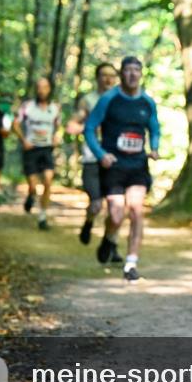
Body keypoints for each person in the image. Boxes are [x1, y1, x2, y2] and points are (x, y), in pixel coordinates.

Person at [84, 56, 161, 282]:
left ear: (141, 74)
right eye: (127, 70)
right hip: (114, 166)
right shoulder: (109, 99)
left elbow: (155, 128)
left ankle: (131, 264)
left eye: (136, 70)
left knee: (136, 209)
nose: (132, 74)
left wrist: (154, 147)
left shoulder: (147, 102)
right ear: (121, 74)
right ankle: (109, 238)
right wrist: (101, 155)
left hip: (137, 165)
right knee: (116, 215)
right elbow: (89, 129)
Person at [66, 63, 120, 250]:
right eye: (104, 75)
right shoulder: (88, 101)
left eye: (112, 76)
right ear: (97, 78)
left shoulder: (120, 100)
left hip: (115, 160)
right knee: (96, 205)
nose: (108, 79)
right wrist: (90, 126)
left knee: (116, 206)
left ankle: (110, 243)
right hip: (92, 159)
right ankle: (89, 223)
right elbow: (71, 127)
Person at [12, 77, 62, 230]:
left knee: (48, 181)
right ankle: (31, 195)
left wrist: (56, 137)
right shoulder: (27, 106)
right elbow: (15, 124)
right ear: (36, 89)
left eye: (45, 87)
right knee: (33, 186)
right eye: (39, 87)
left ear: (49, 89)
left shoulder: (55, 108)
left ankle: (42, 217)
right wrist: (23, 140)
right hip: (31, 149)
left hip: (46, 149)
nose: (42, 90)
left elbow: (58, 126)